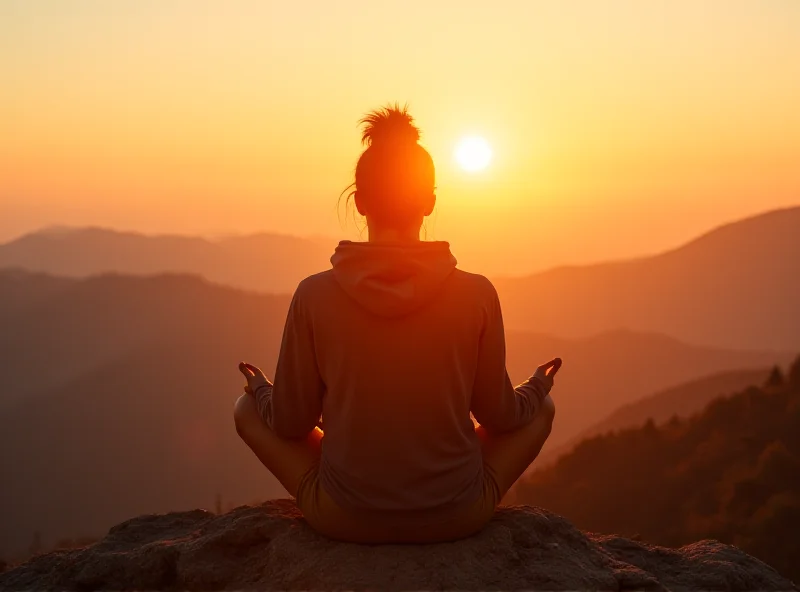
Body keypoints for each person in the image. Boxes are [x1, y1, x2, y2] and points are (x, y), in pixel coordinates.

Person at [233, 104, 560, 544]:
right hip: (457, 516)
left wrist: (260, 391)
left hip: (344, 519)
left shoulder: (314, 295)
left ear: (360, 200)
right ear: (429, 201)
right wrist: (536, 387)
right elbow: (498, 416)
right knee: (544, 412)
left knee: (244, 412)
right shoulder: (477, 293)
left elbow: (291, 424)